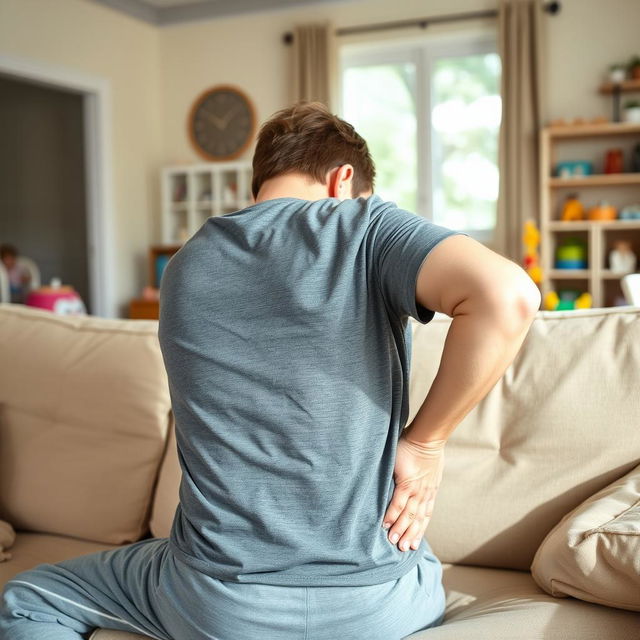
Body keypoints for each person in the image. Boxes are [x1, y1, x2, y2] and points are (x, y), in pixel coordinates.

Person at [0, 101, 541, 640]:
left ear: (261, 179)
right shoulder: (366, 226)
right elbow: (508, 296)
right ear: (343, 180)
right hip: (381, 605)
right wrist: (425, 445)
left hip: (217, 604)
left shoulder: (186, 262)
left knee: (28, 598)